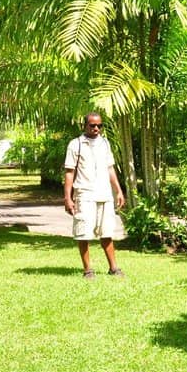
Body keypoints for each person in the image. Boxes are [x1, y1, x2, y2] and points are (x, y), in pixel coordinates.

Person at [63, 113, 126, 278]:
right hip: (84, 194)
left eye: (99, 125)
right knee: (83, 233)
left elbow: (110, 168)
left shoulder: (105, 143)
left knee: (107, 233)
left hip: (104, 194)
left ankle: (114, 268)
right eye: (92, 125)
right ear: (85, 125)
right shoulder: (75, 144)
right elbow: (69, 172)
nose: (96, 128)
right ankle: (88, 270)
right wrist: (68, 198)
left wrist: (118, 190)